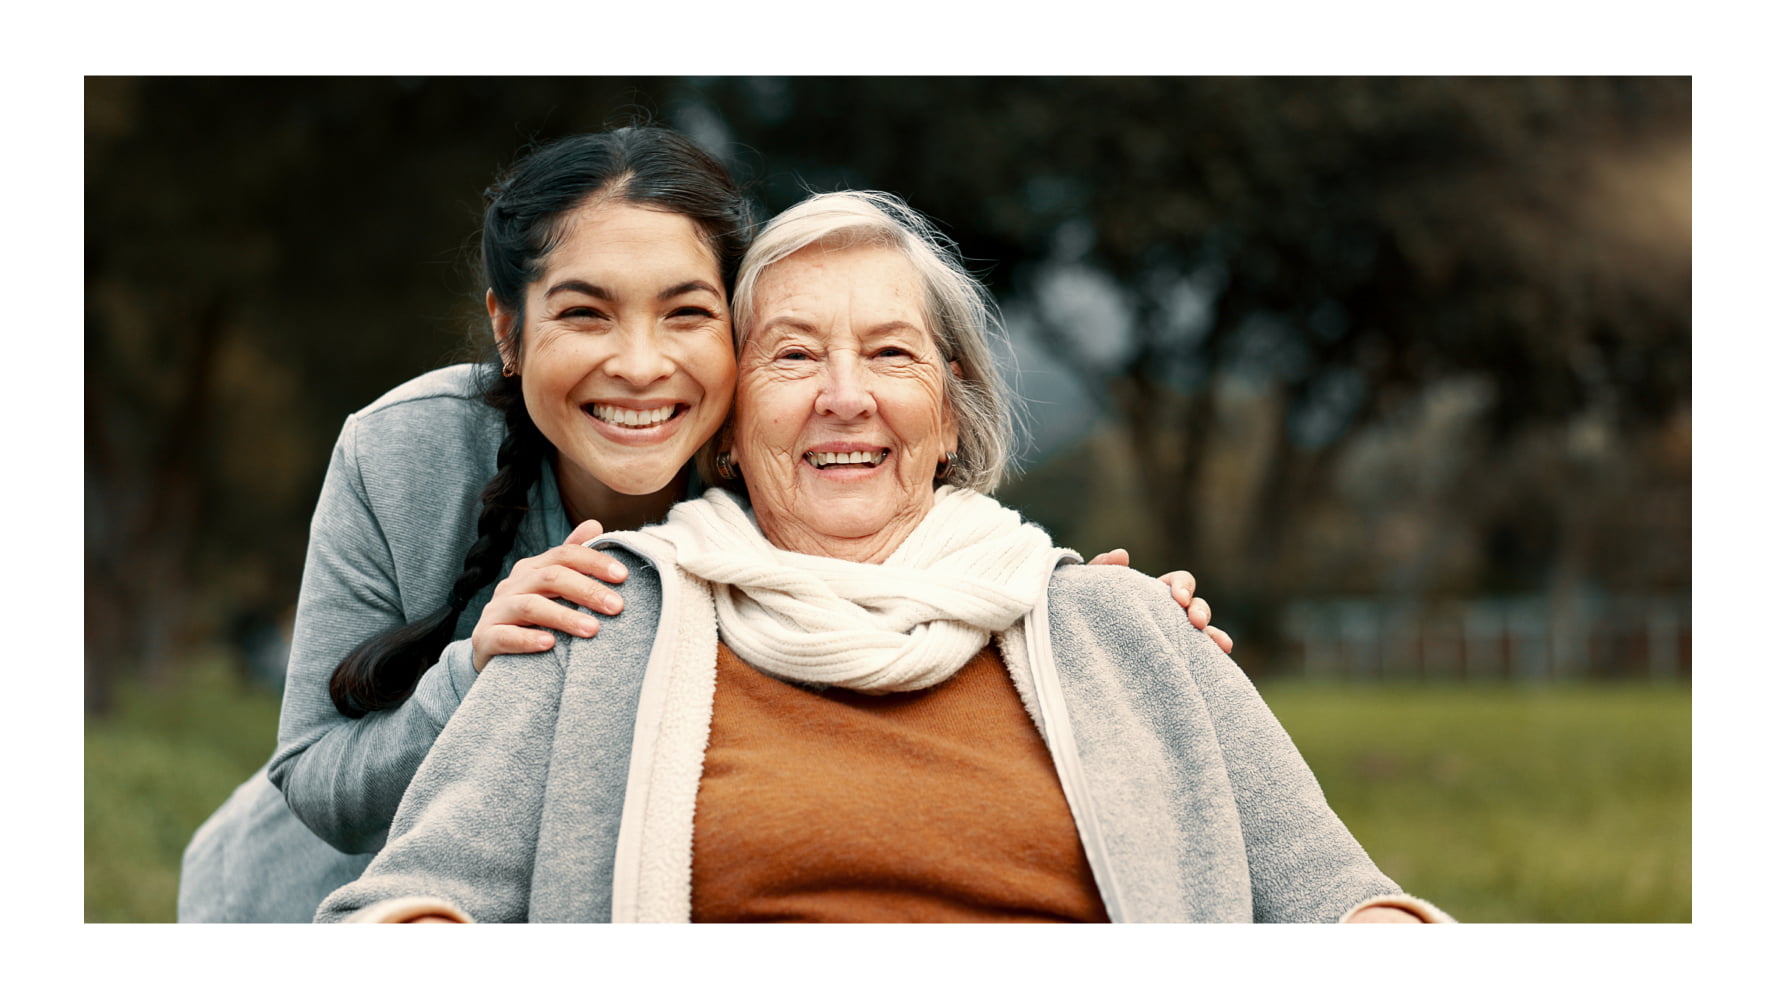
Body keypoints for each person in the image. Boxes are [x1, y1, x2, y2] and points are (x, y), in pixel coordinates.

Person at [178, 128, 1230, 922]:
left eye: (685, 315)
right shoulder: (404, 452)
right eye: (585, 314)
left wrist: (1089, 619)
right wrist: (472, 666)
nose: (640, 365)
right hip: (315, 902)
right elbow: (314, 780)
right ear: (508, 327)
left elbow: (919, 539)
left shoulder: (779, 469)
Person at [315, 191, 1450, 923]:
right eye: (795, 355)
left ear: (951, 413)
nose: (845, 397)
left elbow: (1347, 908)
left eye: (892, 353)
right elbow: (414, 906)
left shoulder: (1123, 625)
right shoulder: (606, 621)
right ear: (728, 418)